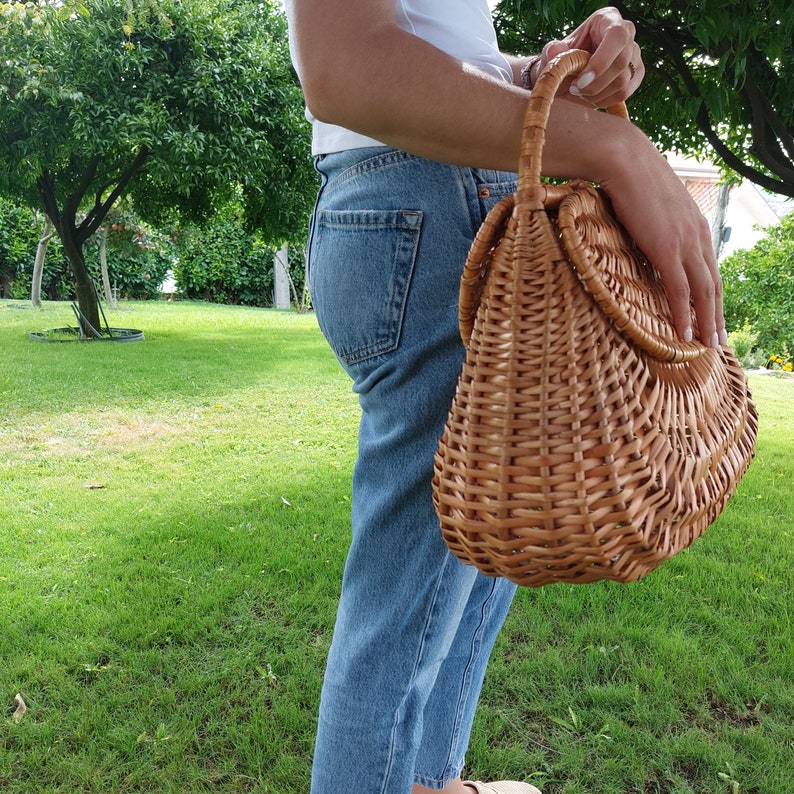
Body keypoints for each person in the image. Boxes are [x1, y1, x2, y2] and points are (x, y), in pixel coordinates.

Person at [285, 2, 725, 793]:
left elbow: (425, 44)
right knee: (406, 608)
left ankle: (429, 780)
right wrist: (612, 147)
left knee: (488, 541)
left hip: (423, 200)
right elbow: (344, 66)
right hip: (425, 201)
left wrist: (529, 71)